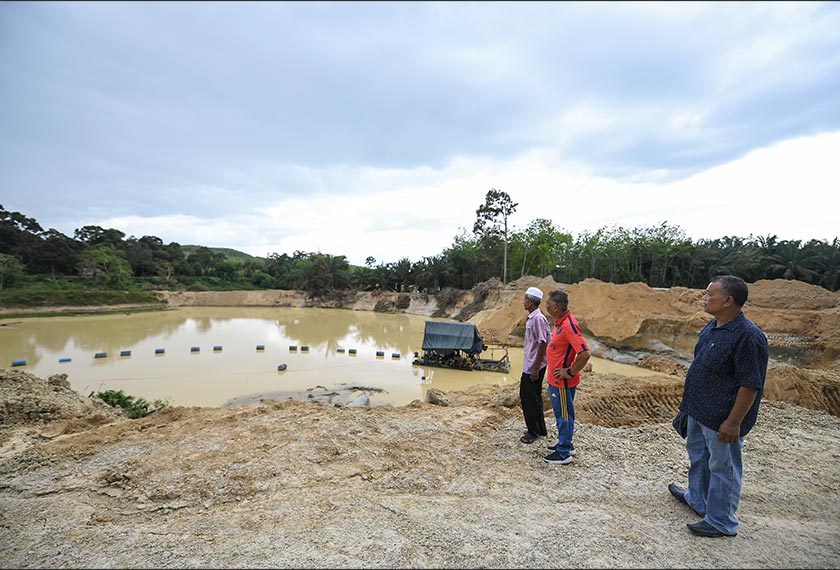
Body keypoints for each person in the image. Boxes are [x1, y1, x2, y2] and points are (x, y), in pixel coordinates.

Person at [668, 275, 768, 538]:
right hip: (699, 411)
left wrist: (733, 422)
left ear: (727, 300)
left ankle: (722, 521)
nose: (705, 298)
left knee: (723, 467)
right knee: (699, 458)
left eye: (710, 294)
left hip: (722, 417)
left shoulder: (748, 337)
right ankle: (698, 500)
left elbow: (751, 384)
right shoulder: (713, 326)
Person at [543, 289, 590, 464]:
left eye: (547, 304)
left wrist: (569, 371)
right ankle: (565, 444)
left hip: (562, 382)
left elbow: (584, 353)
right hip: (557, 381)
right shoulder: (560, 322)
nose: (545, 306)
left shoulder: (569, 325)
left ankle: (563, 453)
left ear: (555, 307)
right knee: (564, 414)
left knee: (563, 416)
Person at [519, 286, 551, 444]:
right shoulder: (535, 317)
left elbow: (542, 344)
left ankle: (533, 432)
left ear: (531, 302)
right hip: (533, 364)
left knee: (528, 398)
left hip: (533, 366)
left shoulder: (537, 319)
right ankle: (540, 428)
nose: (523, 302)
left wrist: (535, 369)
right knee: (535, 397)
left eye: (525, 299)